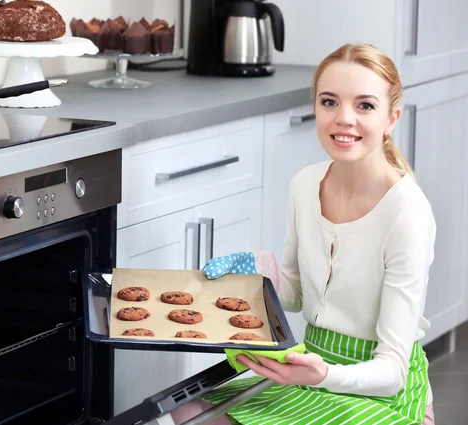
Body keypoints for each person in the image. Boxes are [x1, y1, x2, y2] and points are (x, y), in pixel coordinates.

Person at [171, 44, 437, 425]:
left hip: (381, 393)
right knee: (186, 412)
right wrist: (253, 274)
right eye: (329, 102)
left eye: (365, 105)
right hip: (309, 369)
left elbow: (392, 371)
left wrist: (325, 374)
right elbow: (297, 294)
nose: (344, 118)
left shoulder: (407, 212)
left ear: (391, 118)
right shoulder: (305, 185)